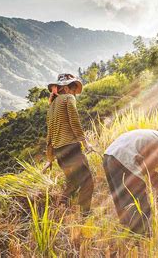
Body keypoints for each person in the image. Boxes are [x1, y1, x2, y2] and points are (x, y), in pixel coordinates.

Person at [102, 124, 158, 234]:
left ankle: (129, 235)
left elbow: (149, 172)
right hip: (123, 158)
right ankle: (142, 237)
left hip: (108, 157)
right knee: (141, 205)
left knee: (122, 200)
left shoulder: (150, 139)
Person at [45, 73, 94, 217]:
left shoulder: (52, 106)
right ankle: (85, 215)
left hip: (59, 152)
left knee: (73, 182)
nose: (74, 94)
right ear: (66, 88)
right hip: (71, 148)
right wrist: (85, 142)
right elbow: (75, 121)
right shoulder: (68, 98)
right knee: (87, 181)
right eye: (73, 90)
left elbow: (49, 134)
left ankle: (61, 209)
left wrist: (50, 157)